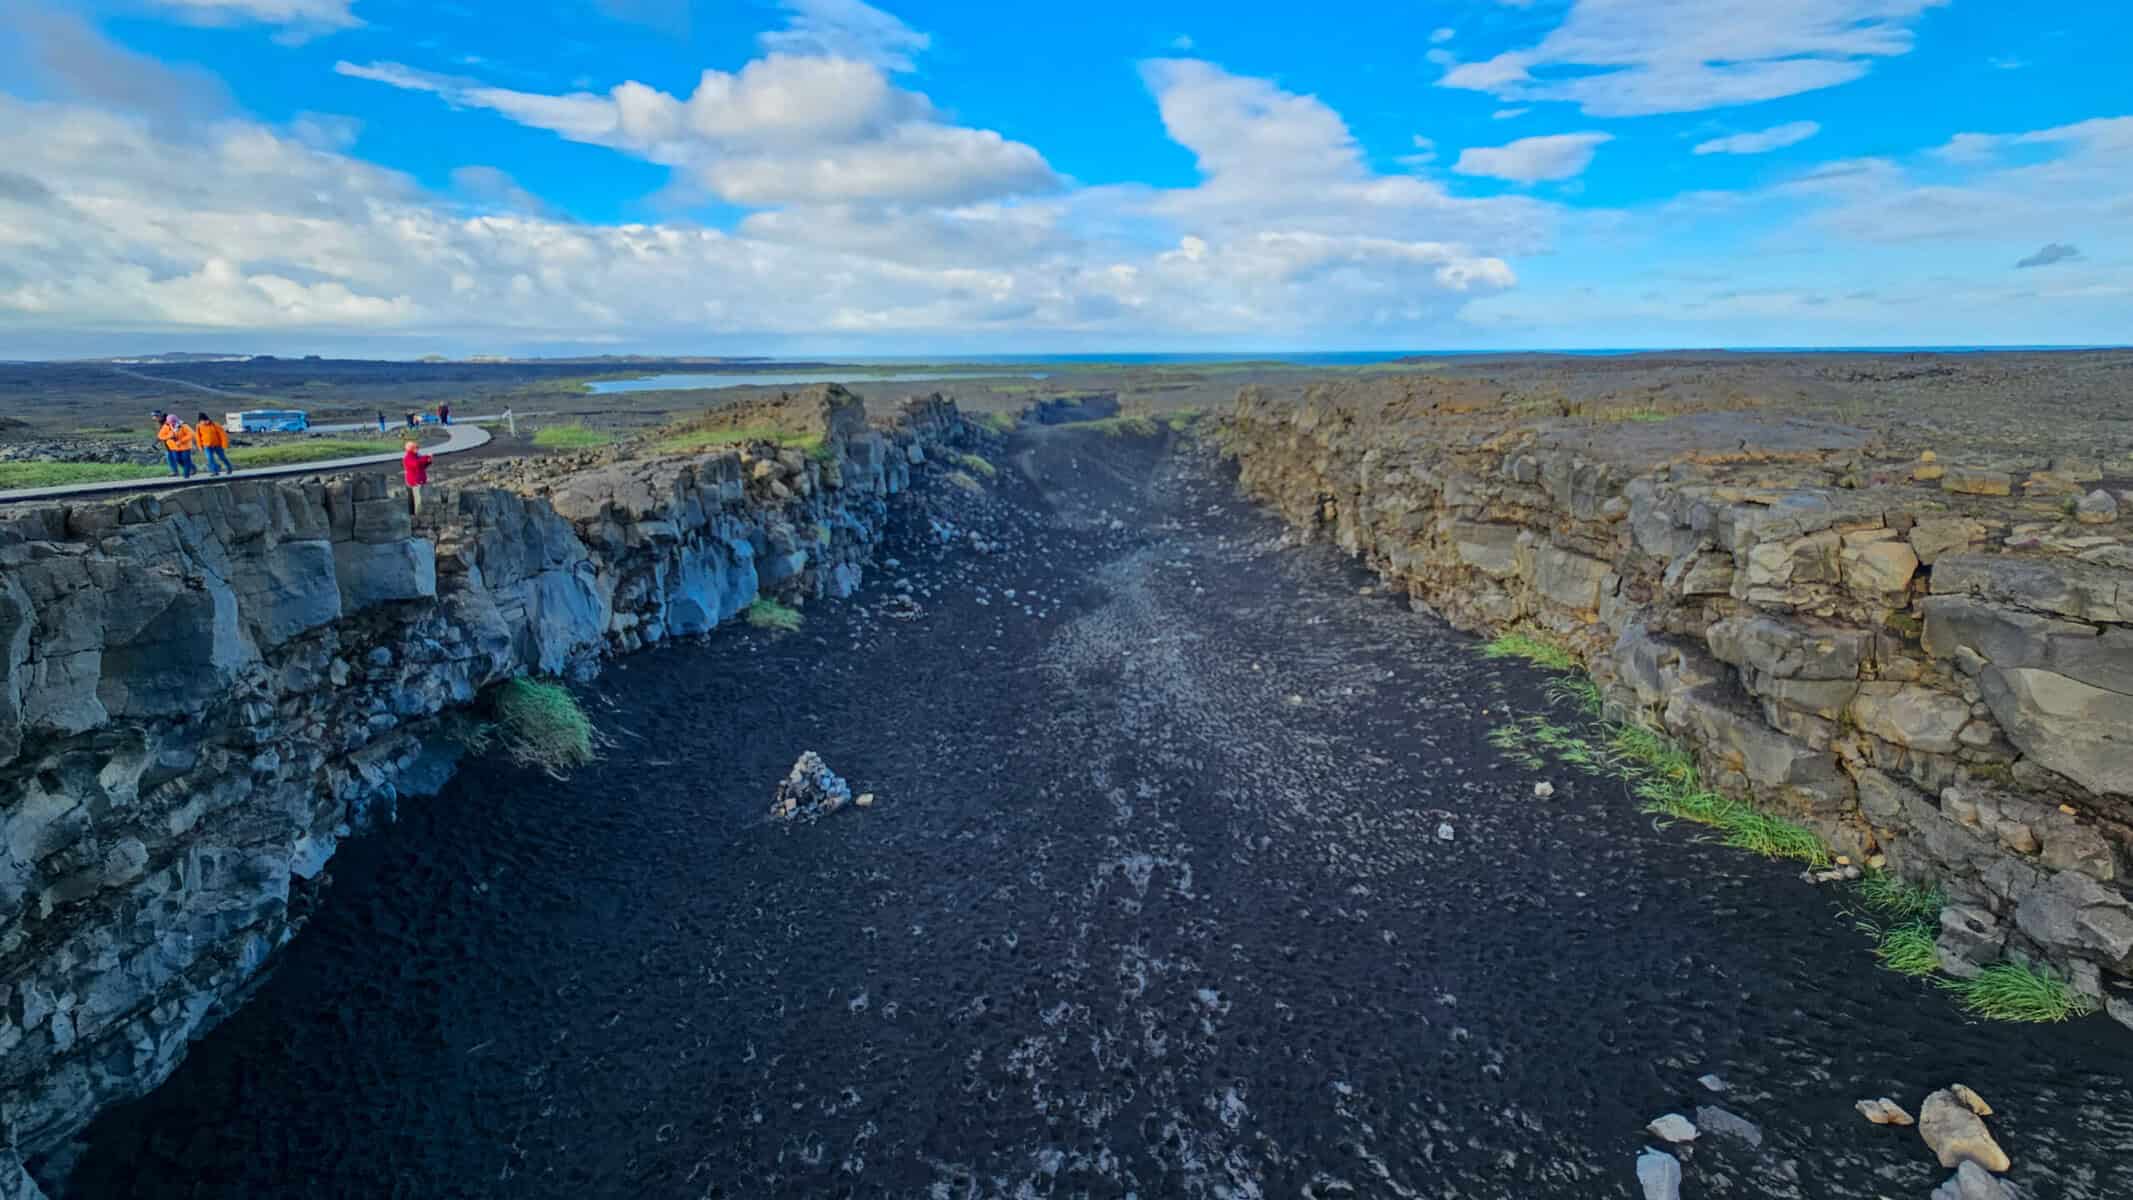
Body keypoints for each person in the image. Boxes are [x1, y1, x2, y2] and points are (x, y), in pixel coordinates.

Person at [158, 415, 198, 479]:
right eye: (170, 422)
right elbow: (160, 436)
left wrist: (181, 441)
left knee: (186, 460)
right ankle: (192, 468)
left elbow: (192, 434)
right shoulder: (166, 426)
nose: (172, 423)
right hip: (174, 448)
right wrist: (169, 436)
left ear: (176, 420)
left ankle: (186, 476)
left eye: (173, 422)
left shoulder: (183, 425)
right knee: (178, 460)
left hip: (186, 447)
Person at [403, 440, 434, 514]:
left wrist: (428, 461)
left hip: (420, 480)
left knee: (419, 499)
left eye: (417, 447)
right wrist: (426, 457)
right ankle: (413, 513)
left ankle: (419, 512)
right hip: (413, 482)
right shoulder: (408, 457)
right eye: (416, 447)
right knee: (413, 499)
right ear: (410, 448)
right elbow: (416, 464)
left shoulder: (417, 456)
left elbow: (421, 466)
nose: (418, 448)